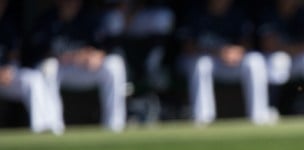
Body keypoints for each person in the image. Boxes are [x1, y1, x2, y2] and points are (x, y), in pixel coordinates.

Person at [25, 0, 128, 132]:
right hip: (62, 69)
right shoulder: (47, 20)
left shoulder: (89, 17)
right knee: (47, 67)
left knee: (115, 64)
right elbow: (37, 52)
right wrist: (72, 56)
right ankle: (53, 127)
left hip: (86, 69)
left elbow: (107, 46)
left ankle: (115, 126)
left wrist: (97, 54)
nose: (71, 3)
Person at [176, 0, 276, 126]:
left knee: (255, 61)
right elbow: (187, 47)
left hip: (229, 60)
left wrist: (237, 51)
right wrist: (219, 51)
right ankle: (203, 117)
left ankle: (259, 116)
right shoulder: (194, 11)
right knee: (201, 64)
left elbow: (247, 43)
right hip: (202, 59)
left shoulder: (237, 12)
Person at [253, 0, 304, 120]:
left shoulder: (302, 12)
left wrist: (291, 49)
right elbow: (268, 45)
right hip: (273, 59)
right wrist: (293, 49)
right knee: (279, 60)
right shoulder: (268, 11)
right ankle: (271, 108)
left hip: (296, 58)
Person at [100, 0, 176, 123]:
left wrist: (135, 10)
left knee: (163, 16)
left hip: (141, 15)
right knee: (114, 19)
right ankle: (125, 74)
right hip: (122, 17)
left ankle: (151, 68)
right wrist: (125, 11)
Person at [0, 0, 62, 133]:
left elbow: (13, 55)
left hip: (4, 78)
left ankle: (43, 129)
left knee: (33, 78)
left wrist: (10, 68)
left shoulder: (6, 26)